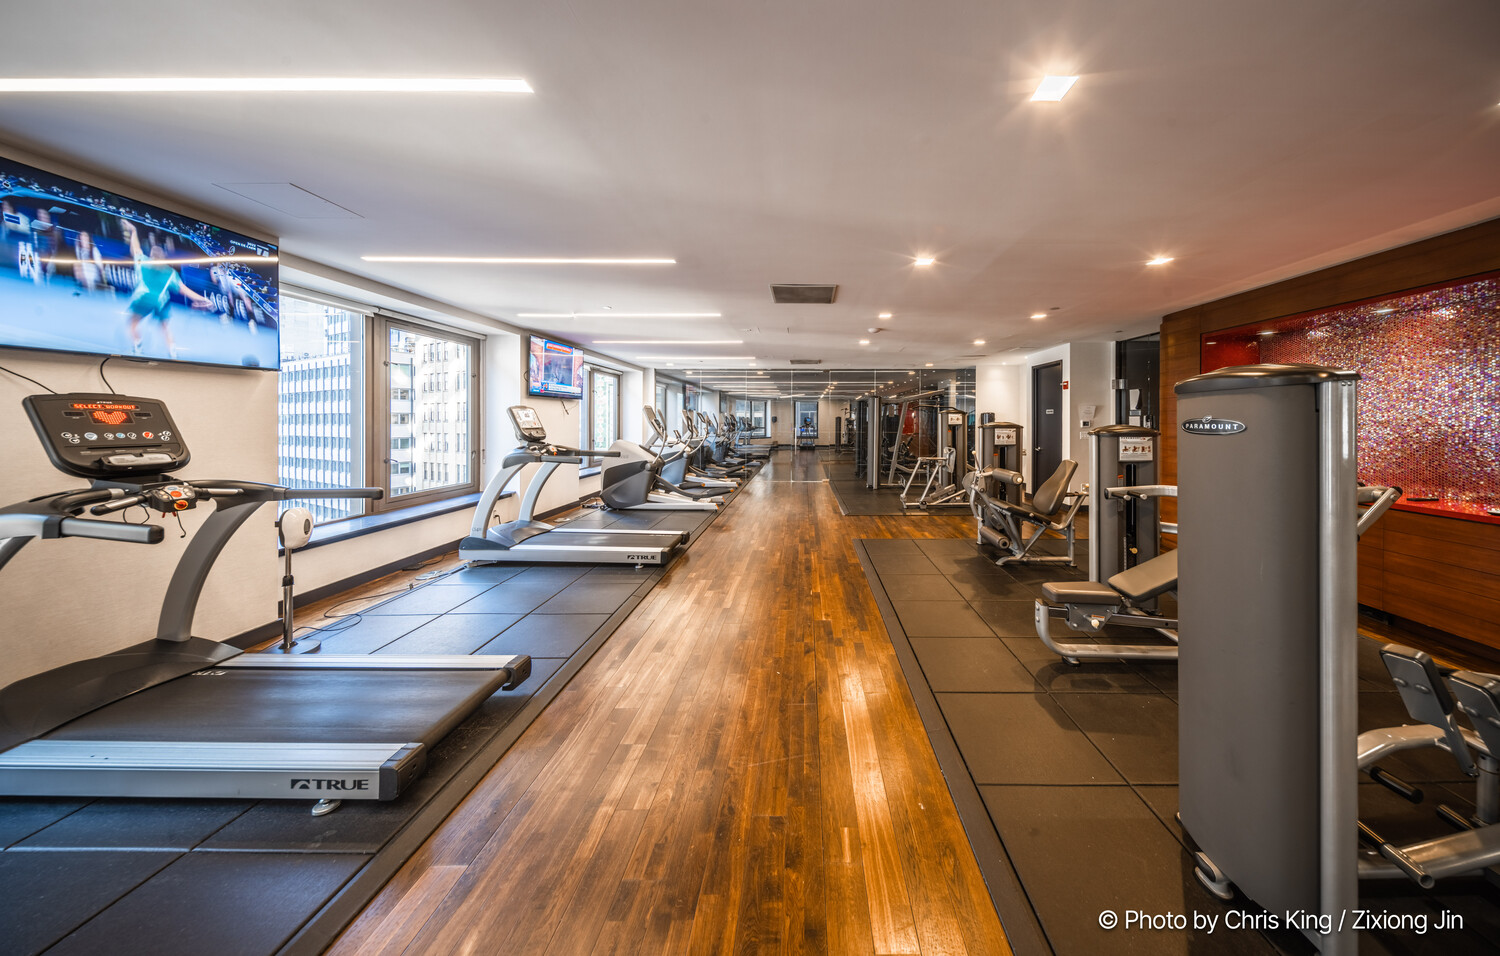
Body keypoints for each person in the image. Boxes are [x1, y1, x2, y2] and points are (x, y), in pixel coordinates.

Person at [120, 218, 212, 358]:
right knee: (165, 328)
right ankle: (172, 352)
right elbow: (184, 290)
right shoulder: (170, 272)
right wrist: (203, 299)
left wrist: (134, 231)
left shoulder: (143, 262)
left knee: (132, 323)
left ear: (151, 256)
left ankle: (137, 347)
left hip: (144, 298)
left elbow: (136, 249)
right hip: (161, 301)